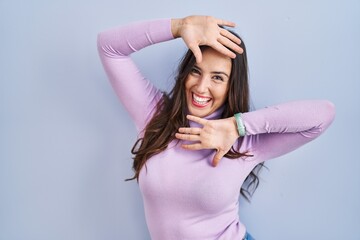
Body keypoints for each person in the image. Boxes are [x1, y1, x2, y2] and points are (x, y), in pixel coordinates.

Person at [97, 15, 335, 240]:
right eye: (196, 71)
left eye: (218, 78)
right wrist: (180, 26)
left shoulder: (244, 142)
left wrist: (236, 126)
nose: (201, 87)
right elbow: (109, 47)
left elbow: (323, 114)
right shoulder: (155, 116)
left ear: (231, 86)